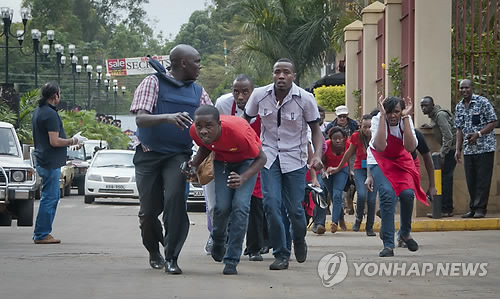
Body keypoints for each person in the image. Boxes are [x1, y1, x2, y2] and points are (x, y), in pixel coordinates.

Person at [130, 44, 212, 274]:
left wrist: (198, 159)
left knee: (175, 204)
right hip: (148, 153)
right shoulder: (153, 83)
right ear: (183, 63)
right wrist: (167, 117)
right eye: (196, 61)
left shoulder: (199, 92)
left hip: (178, 155)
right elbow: (141, 120)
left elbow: (211, 125)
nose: (200, 65)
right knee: (148, 212)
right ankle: (154, 251)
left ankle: (172, 256)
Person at [243, 58, 324, 270]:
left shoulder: (305, 99)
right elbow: (245, 122)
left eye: (286, 72)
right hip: (268, 158)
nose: (281, 76)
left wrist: (316, 155)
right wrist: (246, 148)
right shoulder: (260, 95)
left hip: (296, 159)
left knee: (295, 211)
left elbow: (315, 130)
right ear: (273, 74)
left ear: (293, 76)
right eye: (277, 72)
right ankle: (281, 254)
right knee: (270, 205)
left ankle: (299, 238)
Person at [188, 105, 266, 275]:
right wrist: (194, 164)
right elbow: (206, 146)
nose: (203, 131)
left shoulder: (239, 133)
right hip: (222, 162)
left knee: (240, 207)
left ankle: (232, 259)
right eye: (199, 126)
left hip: (247, 163)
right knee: (221, 207)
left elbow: (262, 158)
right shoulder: (194, 131)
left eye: (209, 126)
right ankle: (218, 240)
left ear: (219, 124)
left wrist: (243, 177)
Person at [366, 96, 428, 257]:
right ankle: (388, 244)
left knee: (408, 194)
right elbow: (379, 147)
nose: (392, 116)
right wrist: (381, 118)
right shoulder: (376, 120)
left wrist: (406, 117)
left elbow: (410, 146)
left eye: (396, 112)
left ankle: (405, 233)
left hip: (401, 161)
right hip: (379, 161)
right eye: (388, 112)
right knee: (387, 193)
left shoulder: (405, 120)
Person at [32, 82, 87, 244]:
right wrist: (73, 140)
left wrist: (71, 143)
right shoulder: (50, 114)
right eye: (59, 94)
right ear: (55, 96)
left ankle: (42, 232)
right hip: (50, 163)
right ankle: (42, 233)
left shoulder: (38, 111)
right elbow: (54, 141)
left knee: (50, 197)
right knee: (50, 198)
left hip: (43, 159)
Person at [454, 79, 497, 218]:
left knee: (483, 180)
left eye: (466, 87)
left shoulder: (482, 102)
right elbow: (459, 129)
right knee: (471, 179)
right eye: (461, 88)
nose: (464, 90)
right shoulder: (459, 106)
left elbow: (493, 121)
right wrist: (457, 149)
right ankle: (472, 208)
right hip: (469, 150)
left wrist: (479, 134)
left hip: (485, 148)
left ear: (472, 88)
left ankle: (480, 209)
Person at [332, 114, 377, 236]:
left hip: (374, 170)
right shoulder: (356, 136)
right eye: (365, 127)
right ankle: (358, 218)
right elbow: (348, 153)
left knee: (372, 200)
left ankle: (370, 226)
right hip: (359, 169)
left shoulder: (377, 135)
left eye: (370, 127)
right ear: (360, 126)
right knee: (362, 195)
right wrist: (340, 167)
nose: (368, 130)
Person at [420, 96, 456, 217]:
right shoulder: (435, 116)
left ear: (432, 105)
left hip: (451, 149)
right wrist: (431, 127)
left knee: (445, 179)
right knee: (444, 178)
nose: (423, 108)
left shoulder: (440, 115)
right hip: (449, 149)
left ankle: (446, 209)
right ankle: (444, 208)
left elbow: (449, 136)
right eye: (422, 106)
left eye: (426, 106)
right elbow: (441, 127)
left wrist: (443, 153)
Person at [320, 127, 351, 234]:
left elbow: (349, 158)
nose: (337, 141)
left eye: (340, 138)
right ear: (330, 139)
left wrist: (350, 171)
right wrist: (324, 172)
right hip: (328, 172)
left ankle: (334, 222)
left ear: (344, 138)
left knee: (337, 194)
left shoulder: (348, 144)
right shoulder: (326, 145)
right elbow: (322, 160)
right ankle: (341, 218)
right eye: (334, 139)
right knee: (333, 196)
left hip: (342, 170)